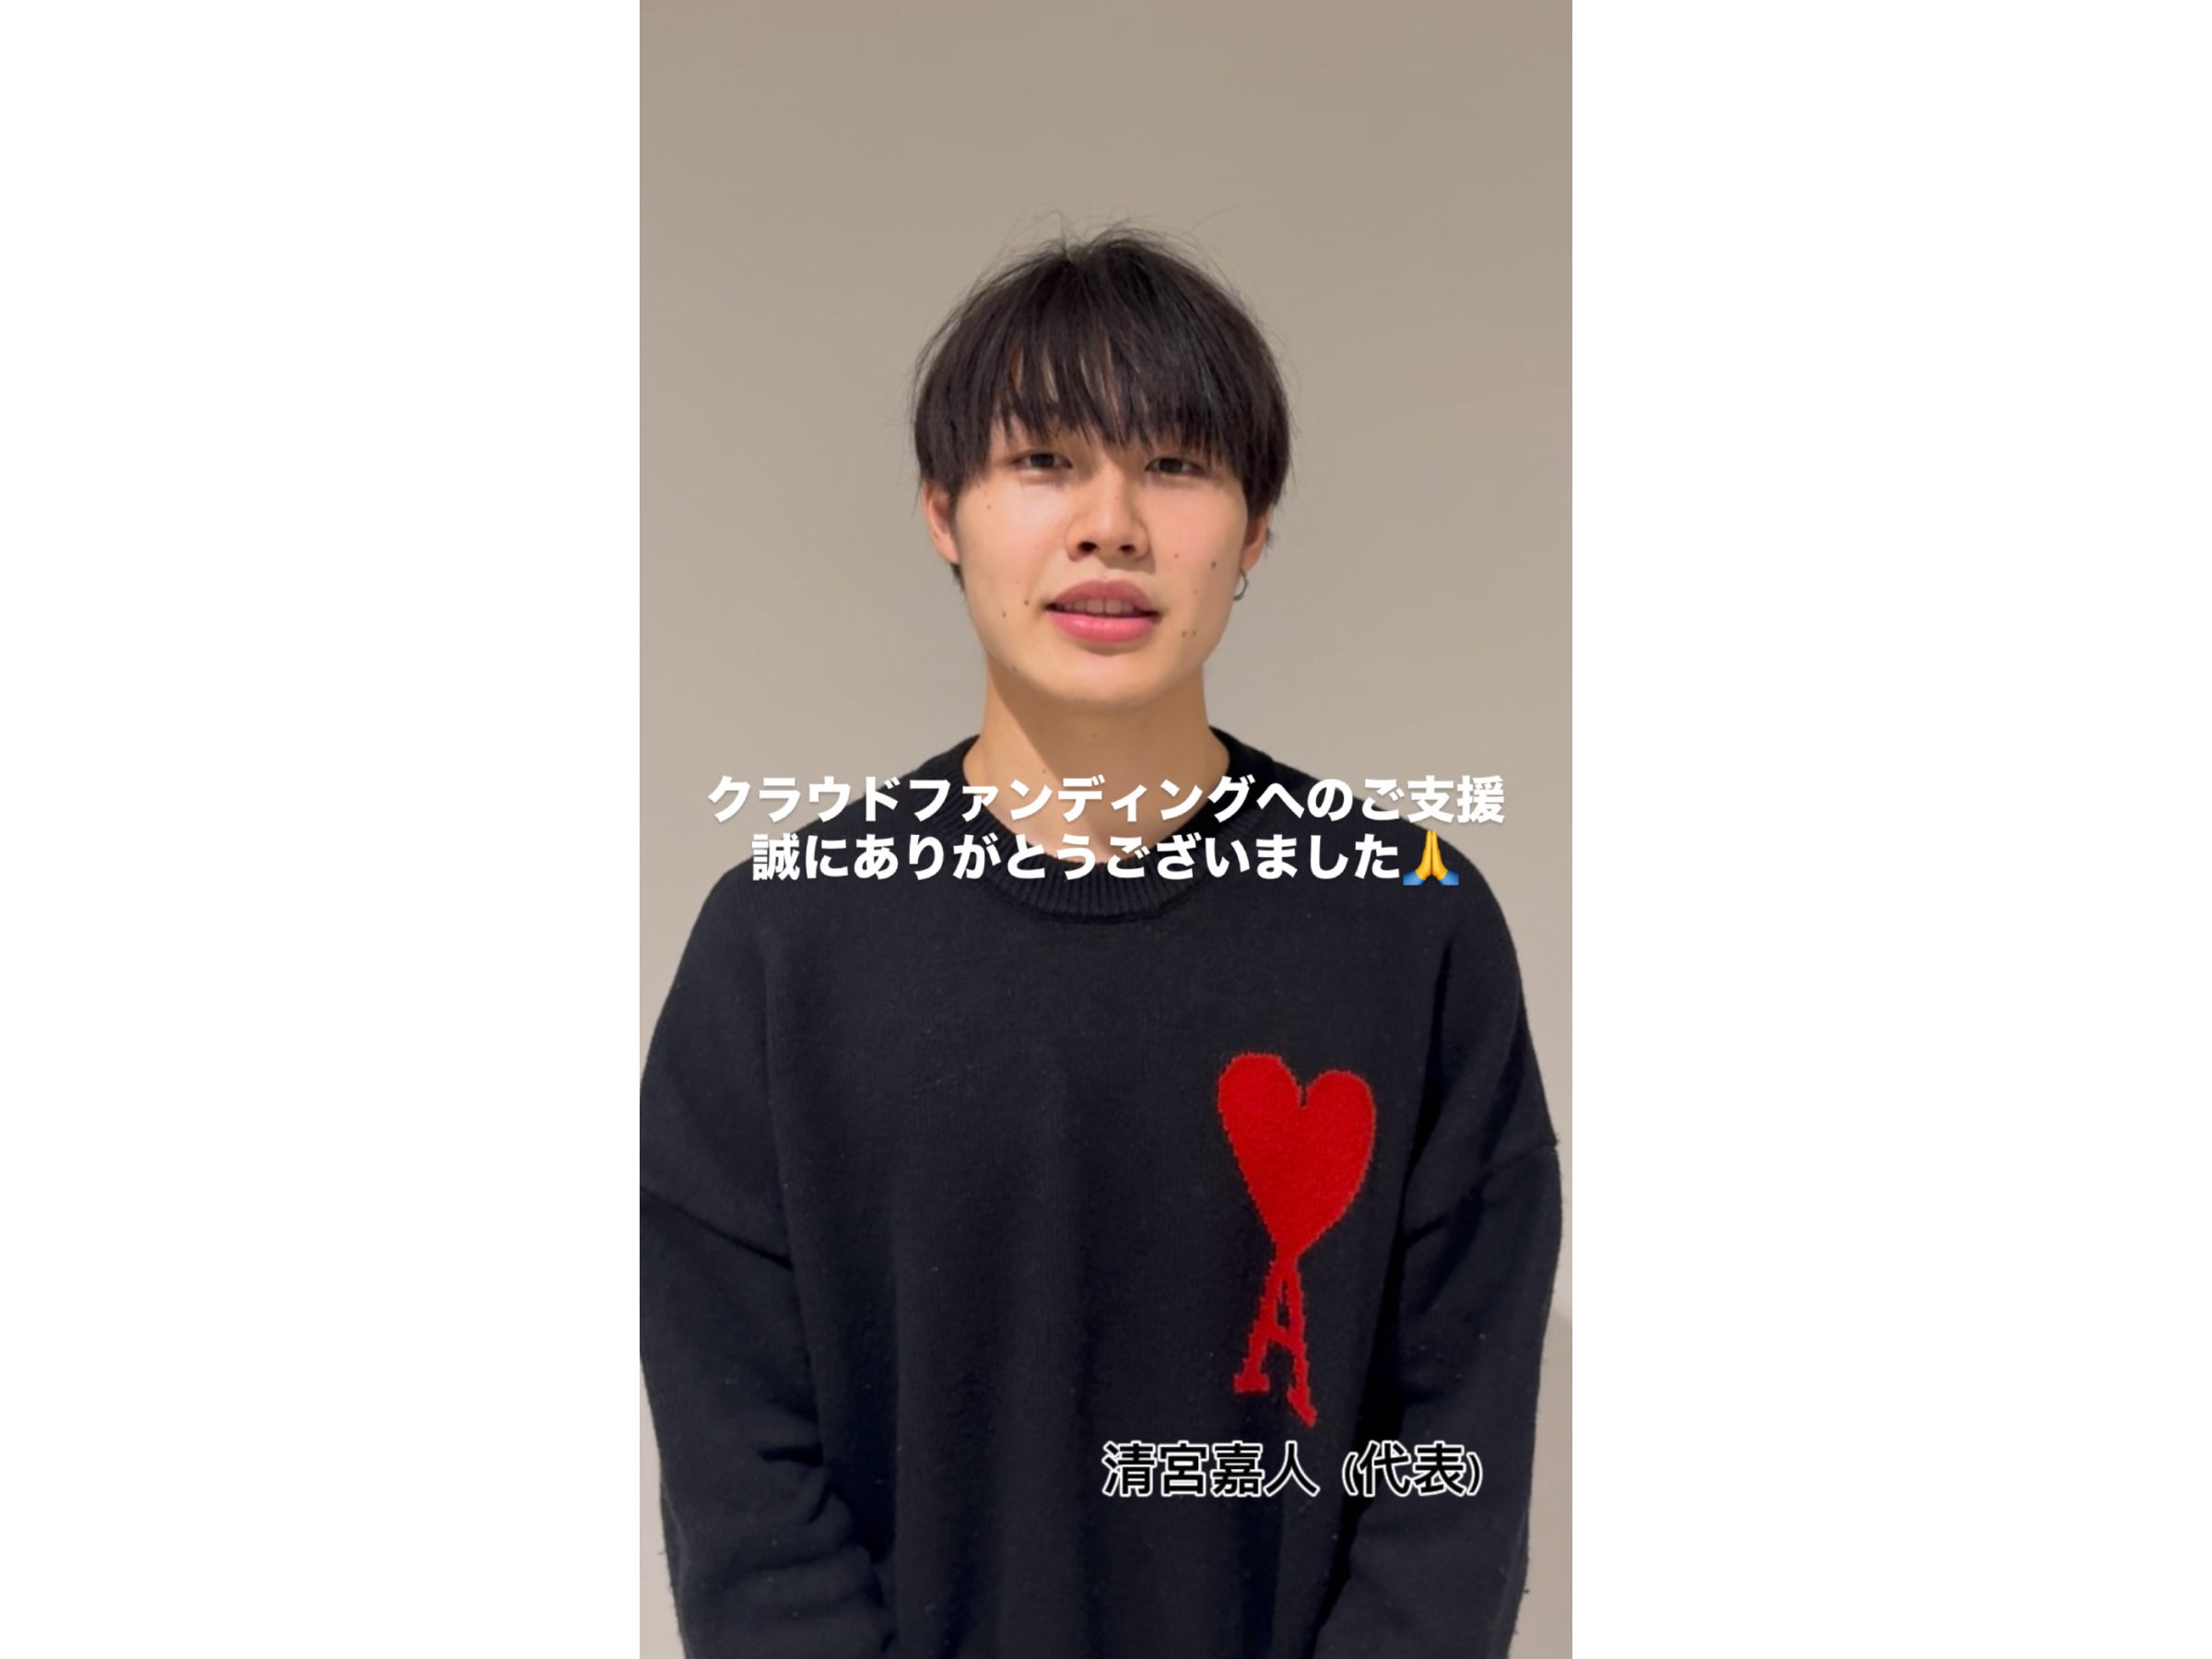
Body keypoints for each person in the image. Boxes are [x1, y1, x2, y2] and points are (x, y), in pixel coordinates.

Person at [640, 227, 1562, 1658]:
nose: (1112, 524)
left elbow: (1452, 1470)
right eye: (1045, 460)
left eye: (1177, 464)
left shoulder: (1411, 919)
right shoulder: (780, 945)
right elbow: (747, 1495)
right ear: (942, 512)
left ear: (1256, 529)